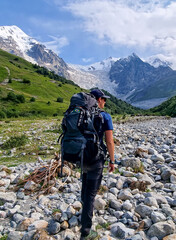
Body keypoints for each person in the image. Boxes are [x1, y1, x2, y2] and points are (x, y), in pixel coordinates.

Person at [80, 89, 115, 239]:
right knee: (91, 193)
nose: (105, 102)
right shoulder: (105, 116)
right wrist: (112, 161)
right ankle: (86, 230)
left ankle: (83, 212)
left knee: (85, 185)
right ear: (99, 100)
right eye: (104, 100)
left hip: (81, 157)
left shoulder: (81, 114)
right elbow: (109, 141)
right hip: (96, 159)